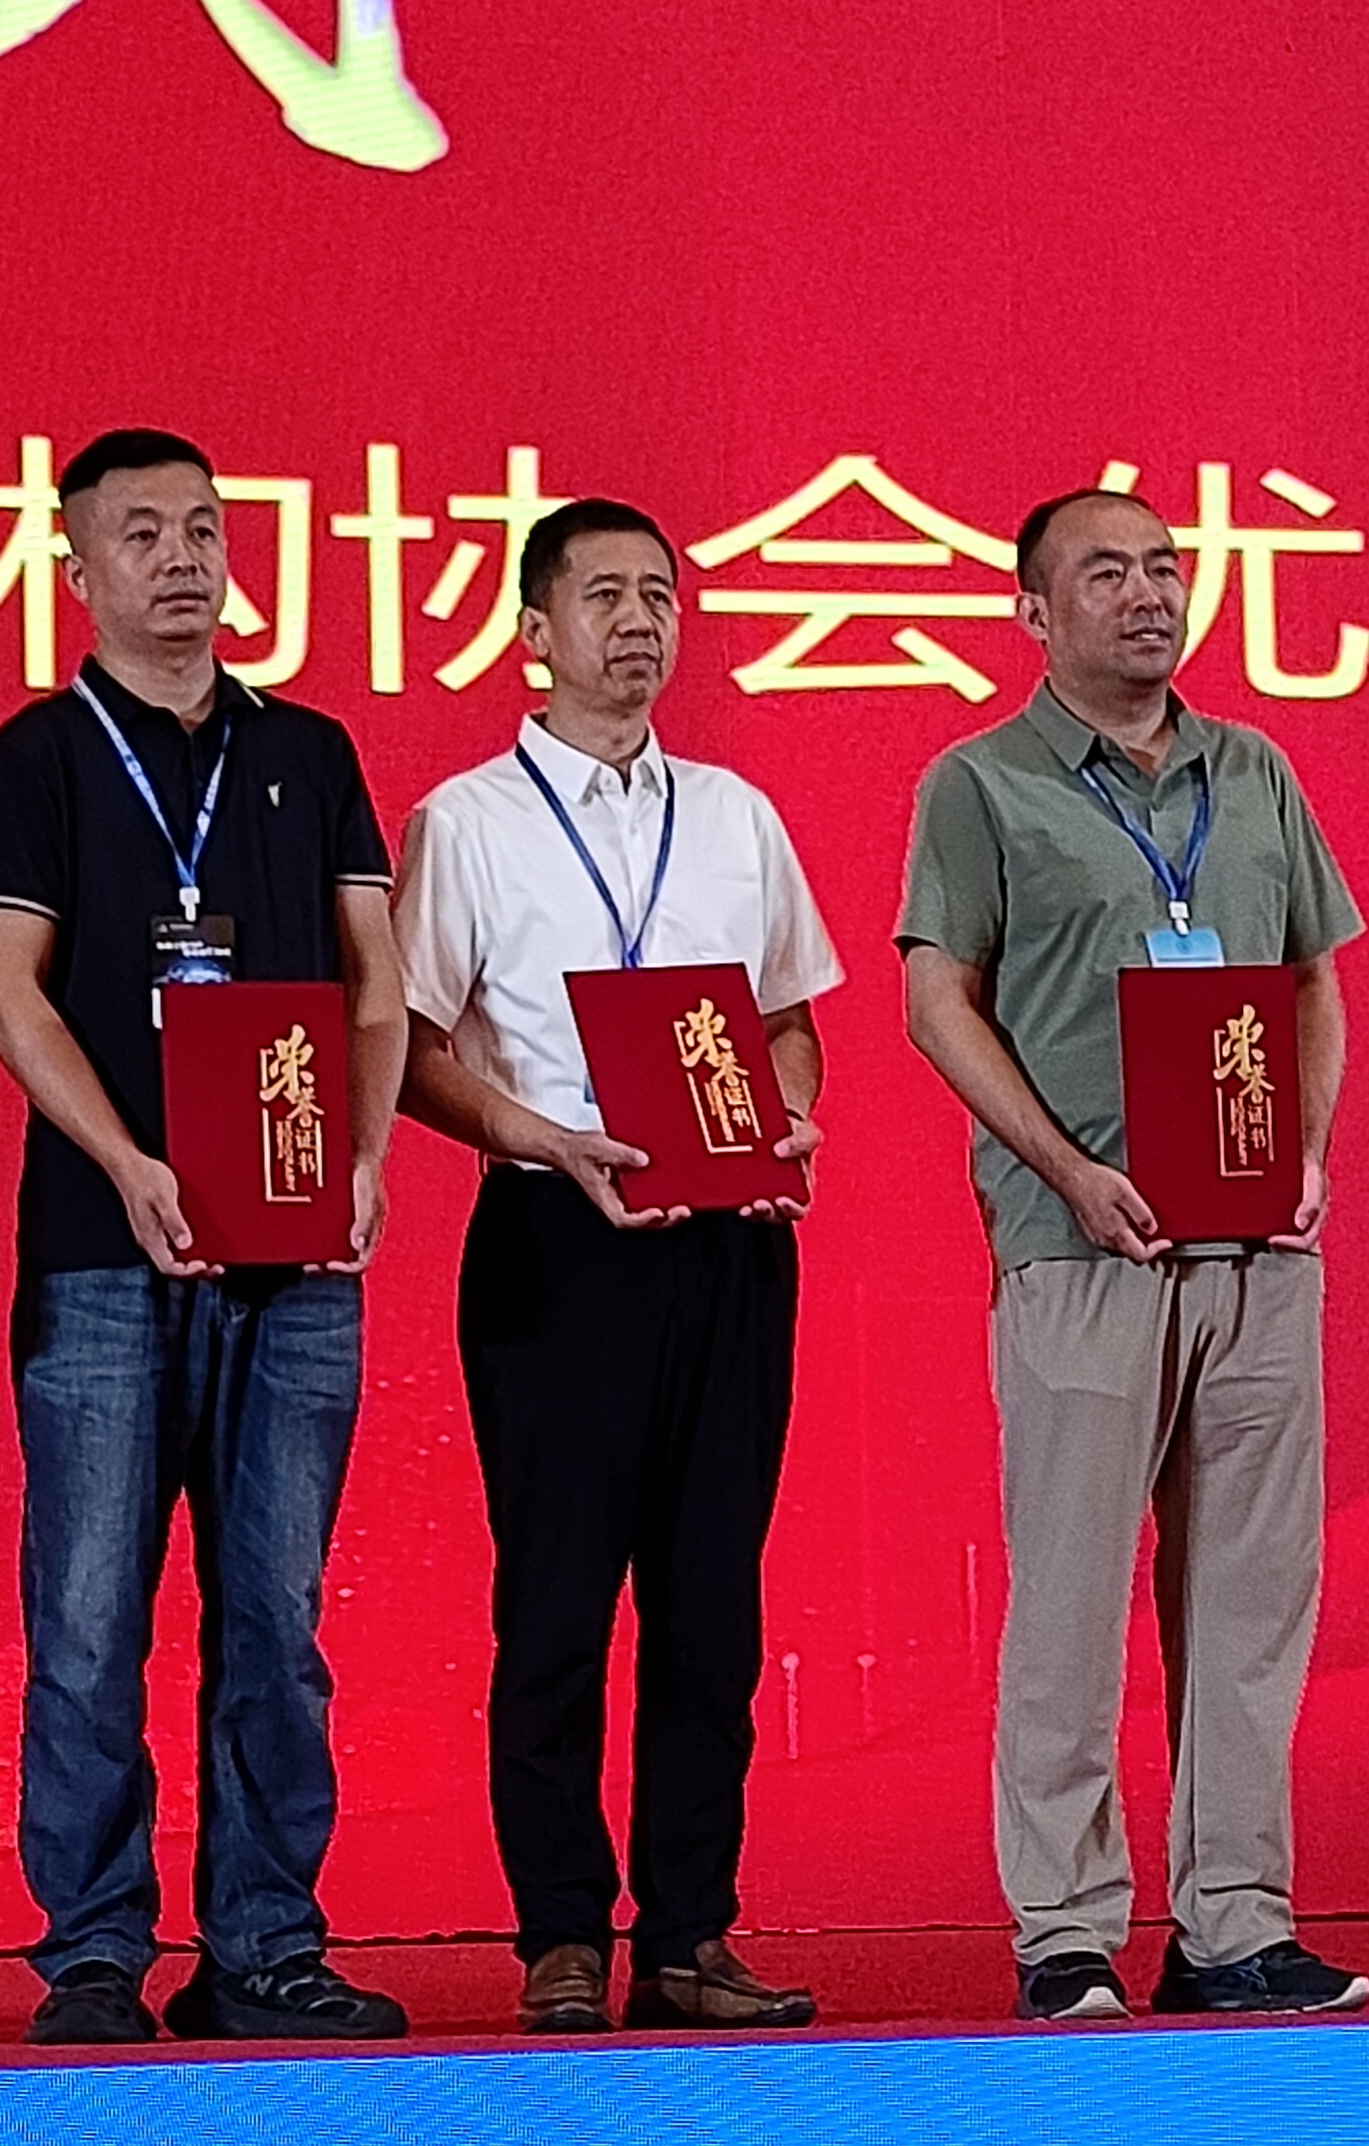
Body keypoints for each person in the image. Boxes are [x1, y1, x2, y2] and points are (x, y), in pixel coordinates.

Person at [0, 427, 408, 2047]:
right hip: (104, 1248)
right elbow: (6, 995)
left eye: (205, 528)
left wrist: (363, 1155)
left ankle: (265, 1947)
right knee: (89, 1619)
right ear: (76, 567)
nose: (182, 558)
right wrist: (128, 1159)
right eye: (141, 532)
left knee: (277, 1624)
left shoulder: (310, 751)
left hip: (295, 1258)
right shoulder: (36, 757)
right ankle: (93, 1951)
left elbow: (376, 978)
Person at [899, 487, 1360, 2022]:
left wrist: (1306, 1151)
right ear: (1034, 614)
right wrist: (1066, 1172)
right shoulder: (982, 783)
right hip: (1084, 1244)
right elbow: (938, 1001)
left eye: (1165, 565)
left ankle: (1235, 1925)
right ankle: (1067, 1931)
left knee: (1250, 1606)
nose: (1151, 593)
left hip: (1257, 1251)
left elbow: (1312, 975)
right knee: (1072, 1607)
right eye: (1107, 573)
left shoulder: (1257, 769)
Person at [394, 498, 834, 2036]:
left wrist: (790, 1118)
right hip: (556, 1241)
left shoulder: (736, 813)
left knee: (713, 1608)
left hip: (728, 1244)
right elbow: (410, 1053)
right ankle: (563, 1935)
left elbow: (787, 1018)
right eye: (604, 596)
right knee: (559, 1605)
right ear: (535, 631)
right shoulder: (466, 822)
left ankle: (693, 1934)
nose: (640, 621)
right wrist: (546, 1137)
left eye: (660, 594)